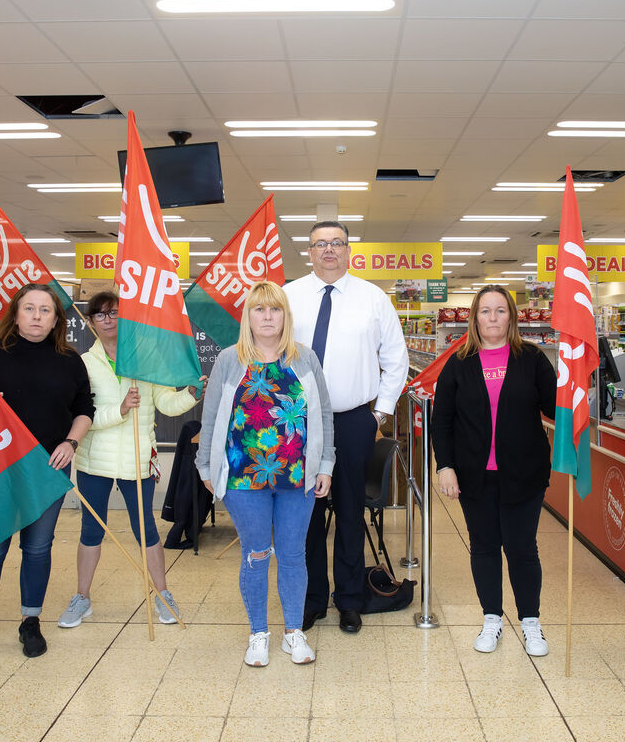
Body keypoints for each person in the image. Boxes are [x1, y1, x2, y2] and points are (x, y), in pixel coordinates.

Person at [196, 281, 335, 666]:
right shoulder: (229, 360)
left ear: (285, 317)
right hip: (243, 478)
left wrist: (326, 465)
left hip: (297, 477)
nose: (268, 317)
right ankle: (258, 632)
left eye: (275, 310)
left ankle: (294, 632)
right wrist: (205, 466)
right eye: (260, 309)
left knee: (293, 555)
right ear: (248, 317)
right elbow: (211, 417)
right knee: (256, 554)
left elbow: (323, 413)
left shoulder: (305, 359)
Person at [283, 220, 408, 634]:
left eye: (337, 243)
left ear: (348, 249)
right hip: (298, 421)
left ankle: (350, 600)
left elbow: (396, 359)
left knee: (351, 512)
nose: (329, 250)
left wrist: (380, 413)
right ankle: (312, 599)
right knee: (306, 514)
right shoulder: (289, 296)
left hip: (354, 419)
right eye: (321, 244)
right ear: (310, 251)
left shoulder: (373, 298)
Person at [0, 284, 94, 661]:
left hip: (47, 471)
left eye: (45, 310)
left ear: (56, 319)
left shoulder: (69, 359)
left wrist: (71, 442)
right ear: (15, 313)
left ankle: (30, 620)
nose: (37, 316)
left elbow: (85, 407)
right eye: (29, 308)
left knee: (37, 548)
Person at [58, 291, 205, 630]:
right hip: (95, 461)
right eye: (100, 314)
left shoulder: (144, 358)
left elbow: (167, 404)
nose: (108, 319)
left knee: (146, 531)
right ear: (92, 322)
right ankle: (82, 597)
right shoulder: (84, 363)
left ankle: (162, 593)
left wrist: (190, 394)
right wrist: (120, 410)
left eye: (114, 313)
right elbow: (83, 414)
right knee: (91, 530)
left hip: (137, 462)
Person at [431, 285, 557, 656]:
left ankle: (531, 622)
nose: (492, 319)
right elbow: (443, 421)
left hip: (524, 472)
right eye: (485, 311)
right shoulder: (459, 361)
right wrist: (446, 466)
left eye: (500, 311)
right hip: (474, 474)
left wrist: (576, 382)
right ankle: (492, 619)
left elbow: (554, 408)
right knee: (484, 548)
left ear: (511, 317)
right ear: (474, 317)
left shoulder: (532, 358)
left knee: (522, 548)